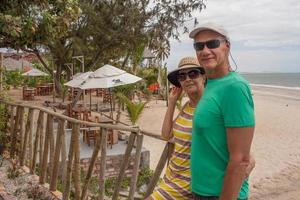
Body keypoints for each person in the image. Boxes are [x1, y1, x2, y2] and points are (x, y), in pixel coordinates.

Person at [147, 57, 254, 200]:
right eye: (182, 76)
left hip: (188, 181)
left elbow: (236, 143)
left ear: (204, 77)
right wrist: (172, 102)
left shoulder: (211, 108)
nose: (187, 79)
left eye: (193, 74)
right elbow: (166, 135)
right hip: (172, 175)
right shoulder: (187, 107)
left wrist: (249, 159)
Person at [189, 23, 255, 200]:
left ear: (227, 46)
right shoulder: (210, 84)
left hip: (218, 195)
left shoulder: (235, 87)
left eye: (212, 44)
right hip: (200, 191)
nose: (205, 50)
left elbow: (241, 159)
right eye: (199, 46)